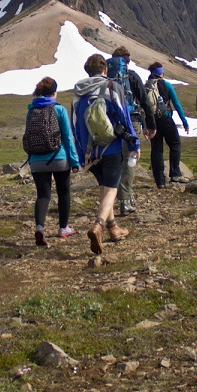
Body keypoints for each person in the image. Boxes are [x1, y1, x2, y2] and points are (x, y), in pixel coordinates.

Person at [72, 54, 139, 255]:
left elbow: (75, 123)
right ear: (105, 70)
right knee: (112, 189)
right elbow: (123, 115)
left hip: (90, 151)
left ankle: (114, 229)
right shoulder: (111, 87)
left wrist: (81, 153)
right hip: (111, 147)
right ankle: (98, 226)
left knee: (104, 187)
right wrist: (134, 142)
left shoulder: (79, 93)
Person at [24, 77, 80, 246]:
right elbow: (67, 137)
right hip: (59, 158)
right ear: (54, 92)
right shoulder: (59, 109)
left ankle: (40, 228)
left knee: (43, 195)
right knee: (63, 192)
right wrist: (74, 160)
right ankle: (63, 228)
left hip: (36, 160)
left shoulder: (31, 110)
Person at [106, 46, 155, 216]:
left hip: (110, 123)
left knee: (115, 159)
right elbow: (145, 101)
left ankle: (111, 199)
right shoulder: (132, 76)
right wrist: (151, 125)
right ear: (127, 60)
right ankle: (126, 200)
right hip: (131, 122)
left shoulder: (106, 77)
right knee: (130, 158)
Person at [145, 62, 190, 187]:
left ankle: (159, 181)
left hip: (152, 121)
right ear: (161, 73)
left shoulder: (146, 87)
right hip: (165, 119)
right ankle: (175, 174)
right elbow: (176, 104)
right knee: (175, 144)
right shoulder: (167, 85)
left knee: (156, 149)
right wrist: (184, 122)